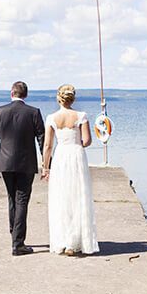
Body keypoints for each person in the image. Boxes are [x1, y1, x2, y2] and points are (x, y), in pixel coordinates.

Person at [0, 80, 45, 256]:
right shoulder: (34, 112)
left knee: (12, 199)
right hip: (26, 164)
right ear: (25, 95)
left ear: (12, 93)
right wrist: (47, 162)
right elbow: (42, 139)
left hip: (5, 164)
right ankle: (18, 243)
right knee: (22, 201)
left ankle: (15, 234)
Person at [41, 84, 98, 255]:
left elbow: (47, 146)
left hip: (61, 157)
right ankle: (75, 242)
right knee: (78, 196)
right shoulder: (81, 116)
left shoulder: (52, 118)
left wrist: (45, 167)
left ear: (59, 98)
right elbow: (87, 141)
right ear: (73, 98)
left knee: (62, 197)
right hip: (76, 155)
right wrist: (76, 144)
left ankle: (63, 241)